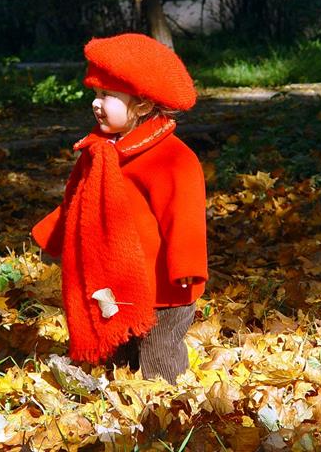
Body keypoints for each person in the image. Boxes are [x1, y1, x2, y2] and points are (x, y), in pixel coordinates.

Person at [31, 33, 208, 384]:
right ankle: (117, 397)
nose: (97, 104)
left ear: (142, 104)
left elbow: (184, 216)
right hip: (118, 279)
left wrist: (187, 266)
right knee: (119, 345)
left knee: (159, 352)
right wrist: (52, 238)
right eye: (95, 95)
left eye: (107, 95)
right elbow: (78, 202)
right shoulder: (98, 151)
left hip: (163, 285)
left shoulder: (171, 158)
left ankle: (165, 408)